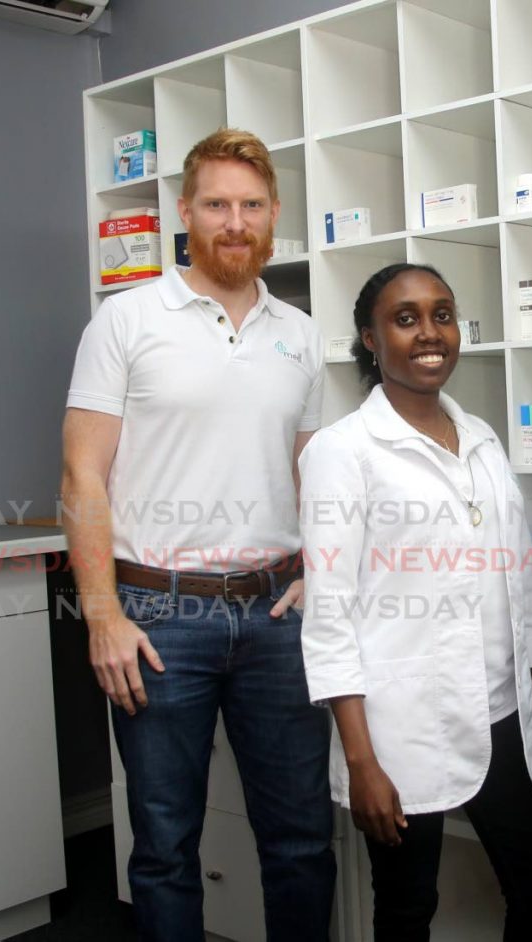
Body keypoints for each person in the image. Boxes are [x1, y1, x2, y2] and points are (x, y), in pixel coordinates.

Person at [61, 128, 334, 942]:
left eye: (251, 205)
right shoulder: (126, 320)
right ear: (185, 212)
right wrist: (103, 615)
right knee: (165, 845)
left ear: (274, 215)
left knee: (301, 840)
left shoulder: (302, 333)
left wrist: (320, 574)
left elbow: (314, 474)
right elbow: (82, 478)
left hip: (279, 620)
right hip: (156, 619)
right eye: (216, 204)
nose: (235, 221)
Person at [299, 263, 532, 941]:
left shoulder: (481, 440)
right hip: (400, 725)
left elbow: (518, 582)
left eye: (442, 315)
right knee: (405, 905)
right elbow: (328, 614)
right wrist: (361, 761)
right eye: (405, 318)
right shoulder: (343, 452)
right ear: (370, 337)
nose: (430, 333)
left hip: (503, 712)